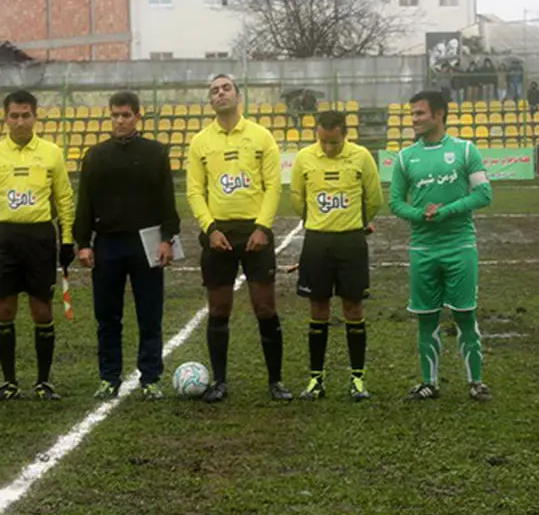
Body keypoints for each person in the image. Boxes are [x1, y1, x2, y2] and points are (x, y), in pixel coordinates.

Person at [186, 74, 290, 402]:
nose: (220, 93)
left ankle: (276, 382)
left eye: (225, 88)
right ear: (210, 100)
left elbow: (274, 186)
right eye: (214, 90)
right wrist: (210, 228)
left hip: (255, 234)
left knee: (265, 308)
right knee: (218, 310)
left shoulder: (261, 136)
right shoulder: (200, 142)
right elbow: (194, 190)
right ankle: (219, 382)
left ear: (238, 95)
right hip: (219, 235)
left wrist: (263, 227)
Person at [389, 90, 494, 402]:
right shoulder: (405, 157)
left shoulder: (465, 150)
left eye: (420, 114)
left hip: (460, 246)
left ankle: (476, 382)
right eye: (413, 115)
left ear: (439, 114)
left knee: (465, 314)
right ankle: (429, 383)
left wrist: (445, 211)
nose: (415, 120)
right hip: (423, 249)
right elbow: (395, 203)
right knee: (426, 317)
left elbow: (484, 194)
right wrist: (420, 215)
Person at [75, 90, 181, 401]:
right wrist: (83, 242)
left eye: (126, 115)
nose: (120, 121)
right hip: (108, 244)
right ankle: (109, 377)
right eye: (115, 115)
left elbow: (166, 200)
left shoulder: (155, 153)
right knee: (107, 317)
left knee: (150, 315)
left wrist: (167, 238)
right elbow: (86, 202)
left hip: (146, 243)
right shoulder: (95, 155)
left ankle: (150, 378)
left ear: (138, 116)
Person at [0, 89, 75, 401]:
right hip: (4, 239)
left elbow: (64, 199)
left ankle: (43, 383)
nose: (20, 121)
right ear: (5, 118)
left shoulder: (51, 153)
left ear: (35, 116)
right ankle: (9, 383)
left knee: (42, 310)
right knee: (4, 308)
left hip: (40, 238)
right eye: (14, 116)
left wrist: (68, 239)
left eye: (26, 115)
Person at [290, 111, 382, 401]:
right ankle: (316, 380)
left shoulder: (362, 156)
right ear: (317, 133)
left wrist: (357, 222)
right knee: (318, 308)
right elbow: (297, 198)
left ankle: (358, 380)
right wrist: (317, 222)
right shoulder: (305, 158)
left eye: (334, 142)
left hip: (351, 242)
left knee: (353, 309)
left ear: (345, 133)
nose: (329, 148)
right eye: (324, 141)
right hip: (317, 242)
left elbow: (374, 198)